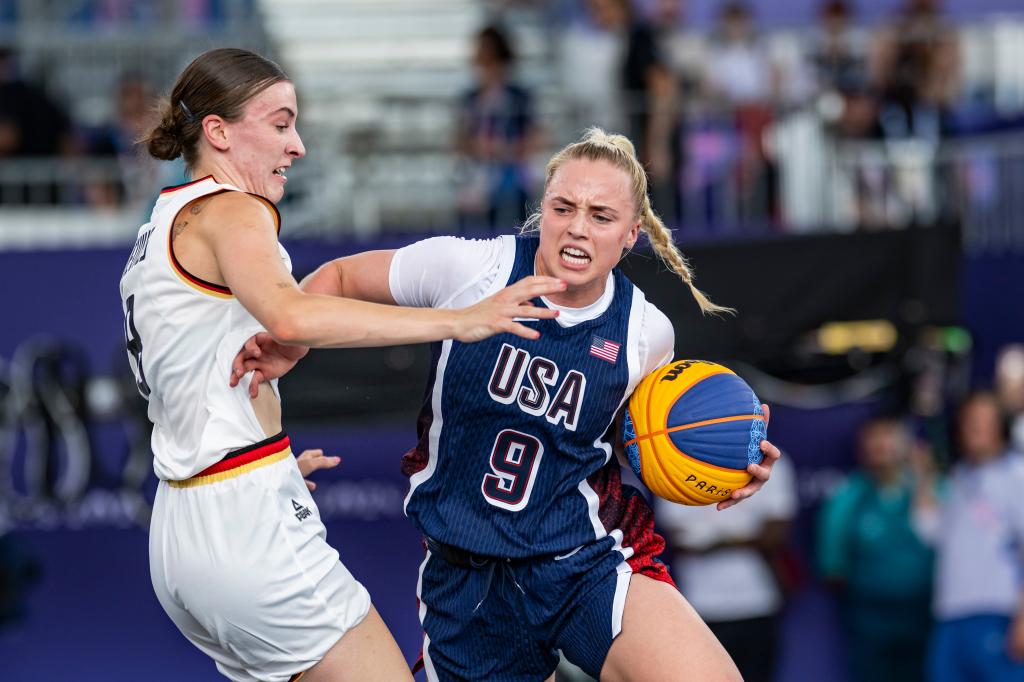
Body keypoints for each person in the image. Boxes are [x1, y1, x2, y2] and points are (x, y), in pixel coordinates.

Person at [235, 127, 782, 681]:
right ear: (540, 209)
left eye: (601, 216)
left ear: (631, 235)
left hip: (581, 559)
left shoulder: (646, 334)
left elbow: (639, 437)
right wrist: (294, 339)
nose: (577, 228)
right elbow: (342, 275)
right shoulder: (472, 270)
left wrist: (728, 459)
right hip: (468, 577)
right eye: (563, 206)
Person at [119, 47, 564, 682]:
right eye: (279, 124)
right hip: (240, 520)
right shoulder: (232, 208)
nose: (297, 145)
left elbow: (199, 371)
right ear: (217, 132)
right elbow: (292, 317)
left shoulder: (158, 224)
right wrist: (458, 321)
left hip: (186, 525)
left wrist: (267, 466)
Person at [817, 415, 938, 682]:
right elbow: (831, 565)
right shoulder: (848, 495)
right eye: (872, 440)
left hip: (924, 614)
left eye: (887, 438)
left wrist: (924, 477)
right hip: (869, 616)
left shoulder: (930, 487)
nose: (880, 447)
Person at [657, 454, 798, 682]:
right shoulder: (673, 460)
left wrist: (714, 541)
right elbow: (681, 539)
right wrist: (744, 538)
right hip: (700, 609)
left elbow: (774, 536)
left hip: (759, 603)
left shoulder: (772, 460)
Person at [921, 392, 1024, 682]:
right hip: (950, 613)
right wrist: (925, 478)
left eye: (982, 420)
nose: (973, 428)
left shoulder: (1017, 474)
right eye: (967, 421)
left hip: (997, 612)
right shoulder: (958, 477)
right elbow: (930, 532)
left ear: (1001, 425)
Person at [454, 24, 539, 232]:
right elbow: (459, 137)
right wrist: (476, 147)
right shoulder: (471, 98)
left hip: (512, 175)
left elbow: (535, 134)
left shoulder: (519, 96)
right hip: (478, 174)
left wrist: (507, 150)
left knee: (514, 227)